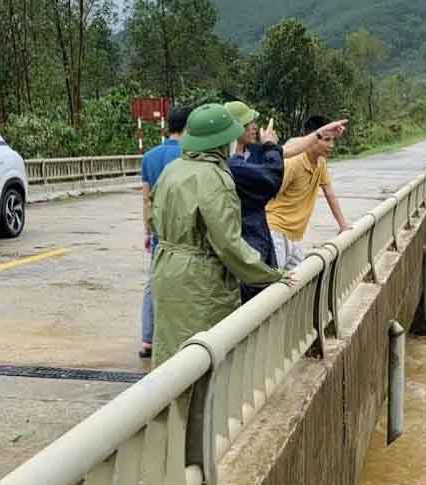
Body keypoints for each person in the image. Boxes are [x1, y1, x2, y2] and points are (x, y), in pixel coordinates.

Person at [149, 103, 285, 367]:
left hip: (166, 267)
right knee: (204, 357)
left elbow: (152, 218)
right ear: (222, 141)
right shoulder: (215, 177)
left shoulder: (172, 169)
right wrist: (269, 274)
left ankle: (169, 409)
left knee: (171, 355)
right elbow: (228, 243)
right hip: (200, 279)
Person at [224, 100, 348, 300]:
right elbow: (272, 180)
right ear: (235, 128)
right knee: (267, 292)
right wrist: (271, 146)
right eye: (249, 123)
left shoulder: (251, 152)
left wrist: (322, 131)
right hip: (271, 232)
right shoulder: (232, 162)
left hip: (285, 234)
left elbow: (288, 148)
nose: (255, 126)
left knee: (297, 284)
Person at [138, 106, 191, 359]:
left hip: (158, 230)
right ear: (188, 127)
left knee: (153, 282)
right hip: (182, 230)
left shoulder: (149, 157)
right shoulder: (189, 155)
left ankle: (148, 339)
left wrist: (147, 232)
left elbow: (146, 199)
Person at [266, 115, 351, 270]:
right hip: (276, 232)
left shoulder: (321, 162)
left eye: (333, 140)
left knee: (299, 283)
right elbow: (268, 194)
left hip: (296, 236)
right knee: (273, 287)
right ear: (311, 138)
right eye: (326, 140)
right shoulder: (294, 162)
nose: (331, 145)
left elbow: (329, 193)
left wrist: (344, 226)